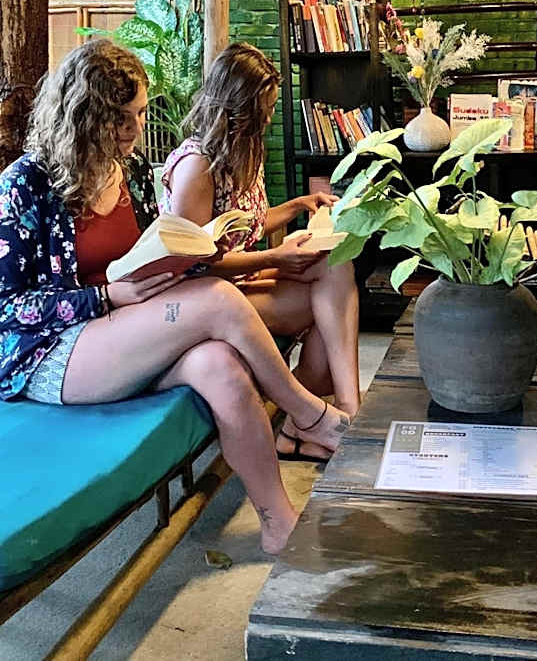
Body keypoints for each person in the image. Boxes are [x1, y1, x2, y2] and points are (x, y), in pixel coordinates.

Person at [0, 39, 350, 554]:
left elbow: (153, 247)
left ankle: (279, 524)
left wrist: (186, 257)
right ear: (87, 118)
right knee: (216, 300)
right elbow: (8, 308)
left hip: (128, 329)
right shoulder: (26, 184)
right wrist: (106, 296)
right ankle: (312, 415)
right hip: (54, 352)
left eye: (140, 114)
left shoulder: (131, 172)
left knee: (220, 366)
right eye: (126, 119)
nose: (138, 129)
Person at [161, 43, 360, 463]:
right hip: (204, 301)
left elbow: (244, 225)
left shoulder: (244, 148)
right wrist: (274, 259)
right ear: (234, 107)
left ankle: (329, 416)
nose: (268, 118)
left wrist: (297, 208)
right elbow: (192, 263)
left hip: (241, 281)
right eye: (262, 108)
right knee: (330, 307)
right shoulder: (197, 167)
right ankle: (325, 420)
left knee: (336, 269)